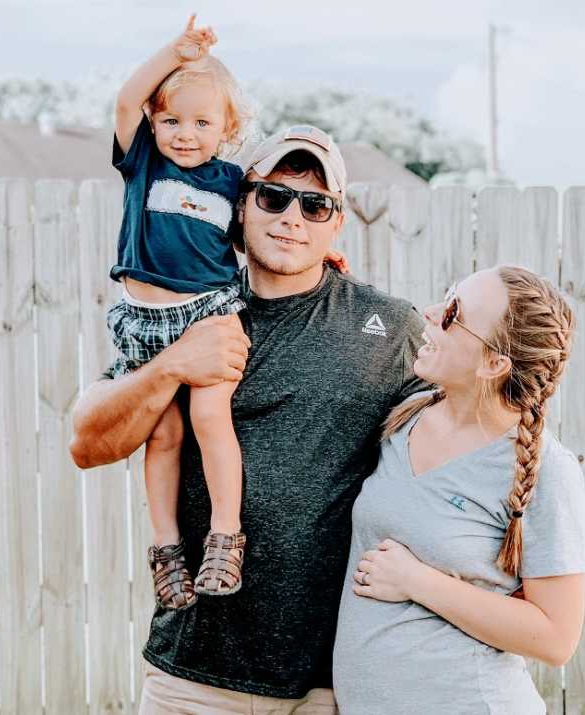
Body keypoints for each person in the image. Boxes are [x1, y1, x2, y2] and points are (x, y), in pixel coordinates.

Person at [70, 118, 427, 711]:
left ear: (337, 222)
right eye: (274, 196)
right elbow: (88, 442)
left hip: (335, 678)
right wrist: (173, 365)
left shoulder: (388, 328)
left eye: (315, 205)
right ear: (240, 208)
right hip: (194, 673)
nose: (292, 216)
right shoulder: (188, 314)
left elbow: (456, 437)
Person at [106, 15, 345, 610]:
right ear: (154, 124)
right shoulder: (144, 165)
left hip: (209, 312)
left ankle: (224, 533)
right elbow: (127, 98)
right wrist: (175, 53)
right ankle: (166, 549)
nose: (185, 134)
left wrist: (319, 244)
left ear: (228, 128)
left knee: (212, 419)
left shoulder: (231, 182)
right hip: (143, 318)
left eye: (202, 122)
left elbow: (251, 235)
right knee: (162, 433)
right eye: (172, 120)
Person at [333, 266, 585, 715]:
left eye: (454, 312)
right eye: (445, 296)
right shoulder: (404, 418)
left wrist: (417, 581)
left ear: (493, 363)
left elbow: (555, 638)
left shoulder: (547, 471)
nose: (431, 313)